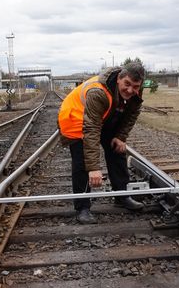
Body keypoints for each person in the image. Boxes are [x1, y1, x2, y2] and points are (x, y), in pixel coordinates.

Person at [58, 62, 146, 224]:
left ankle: (122, 196)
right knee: (82, 161)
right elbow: (91, 129)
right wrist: (93, 169)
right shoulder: (98, 92)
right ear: (119, 78)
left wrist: (120, 136)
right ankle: (82, 207)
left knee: (117, 148)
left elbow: (132, 113)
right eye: (127, 84)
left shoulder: (135, 90)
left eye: (135, 86)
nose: (130, 90)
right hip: (76, 118)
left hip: (101, 116)